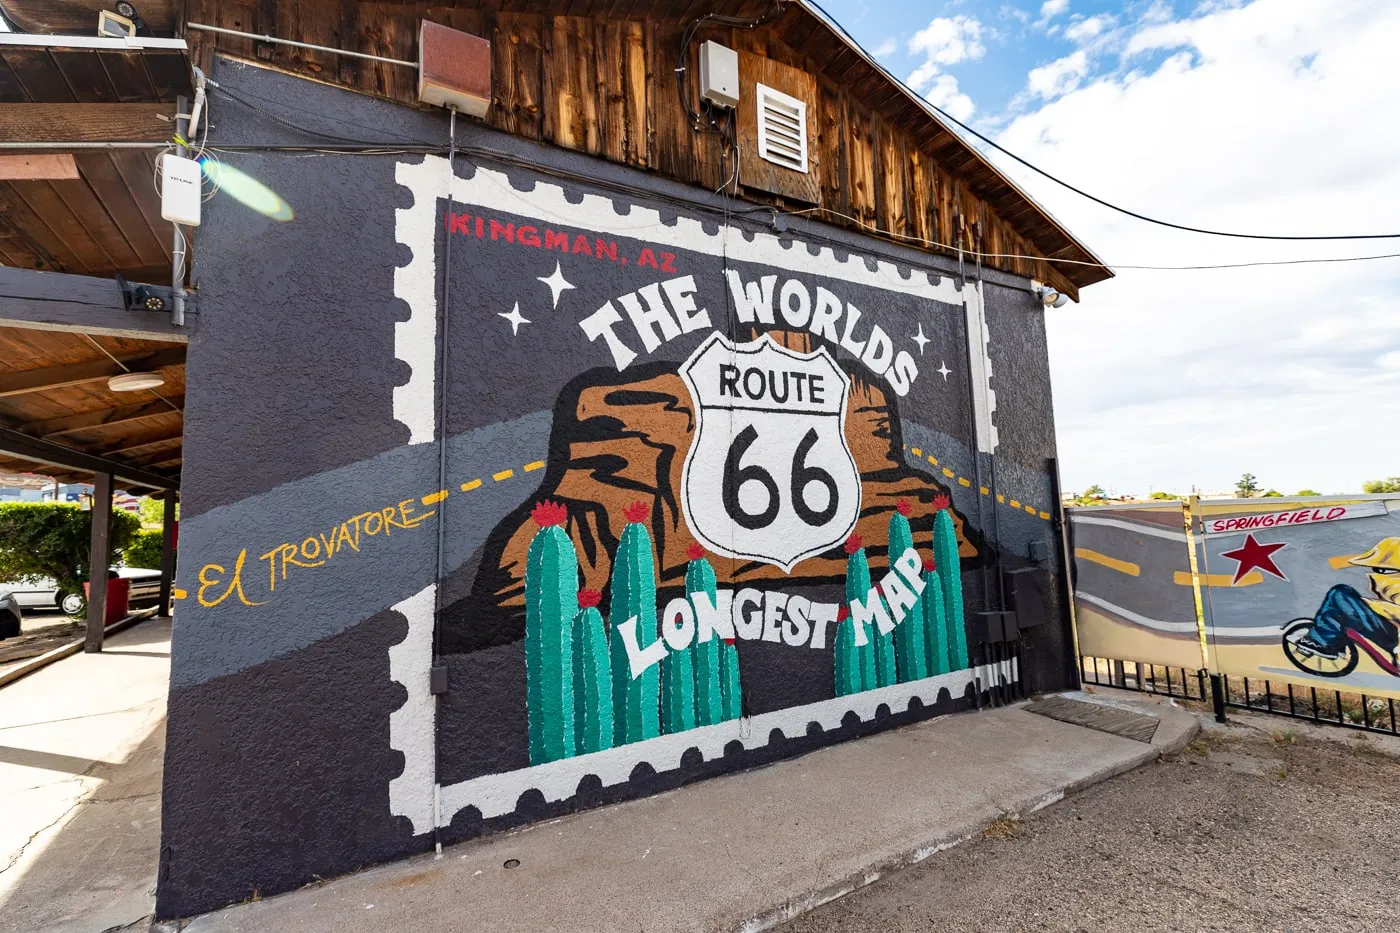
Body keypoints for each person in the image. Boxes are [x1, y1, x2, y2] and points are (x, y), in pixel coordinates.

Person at [1296, 537, 1400, 661]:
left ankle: (1322, 642)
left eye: (1382, 570)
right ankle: (1330, 640)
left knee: (1339, 595)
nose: (1377, 574)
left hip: (1393, 636)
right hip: (1391, 630)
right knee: (1343, 596)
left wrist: (1371, 604)